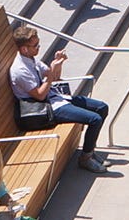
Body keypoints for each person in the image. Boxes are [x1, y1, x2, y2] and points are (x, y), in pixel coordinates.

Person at [8, 25, 111, 173]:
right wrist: (49, 77)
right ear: (24, 49)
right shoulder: (19, 70)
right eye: (35, 45)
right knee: (95, 119)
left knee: (102, 107)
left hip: (55, 97)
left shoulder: (31, 59)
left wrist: (58, 63)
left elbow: (54, 77)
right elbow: (40, 95)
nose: (38, 48)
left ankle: (90, 151)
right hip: (45, 108)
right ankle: (86, 158)